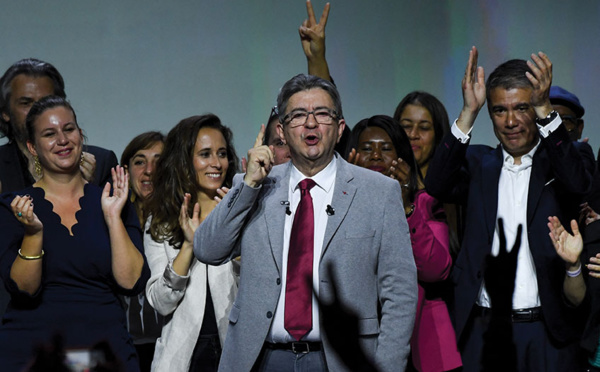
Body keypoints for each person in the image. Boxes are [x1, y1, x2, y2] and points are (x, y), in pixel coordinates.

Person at [194, 74, 417, 372]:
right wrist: (248, 185)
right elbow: (208, 249)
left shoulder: (378, 192)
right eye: (298, 115)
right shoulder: (255, 185)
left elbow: (399, 292)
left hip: (342, 360)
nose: (311, 123)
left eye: (322, 114)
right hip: (261, 359)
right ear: (282, 131)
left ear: (339, 129)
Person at [425, 47, 595, 371]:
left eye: (522, 108)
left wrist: (547, 110)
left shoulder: (566, 158)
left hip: (548, 333)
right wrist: (467, 113)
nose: (511, 120)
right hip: (483, 329)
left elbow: (578, 183)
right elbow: (436, 185)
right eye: (499, 110)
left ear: (535, 108)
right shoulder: (478, 163)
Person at [0, 96, 149, 372]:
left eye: (69, 129)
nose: (62, 139)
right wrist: (33, 233)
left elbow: (131, 282)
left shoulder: (113, 199)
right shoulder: (14, 206)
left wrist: (114, 218)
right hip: (33, 356)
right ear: (33, 147)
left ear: (80, 135)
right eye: (49, 133)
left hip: (104, 356)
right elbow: (24, 290)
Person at [0, 58, 119, 315]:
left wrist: (83, 185)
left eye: (47, 100)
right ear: (5, 112)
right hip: (15, 313)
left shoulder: (102, 161)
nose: (38, 110)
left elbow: (117, 251)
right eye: (26, 103)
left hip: (89, 312)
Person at [346, 115, 461, 372]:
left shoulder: (423, 204)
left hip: (420, 351)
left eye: (386, 149)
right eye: (366, 149)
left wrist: (406, 205)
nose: (376, 156)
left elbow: (436, 269)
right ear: (350, 156)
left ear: (404, 159)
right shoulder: (334, 208)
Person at [144, 115, 239, 372]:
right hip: (182, 359)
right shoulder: (161, 221)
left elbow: (258, 293)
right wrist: (188, 246)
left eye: (222, 153)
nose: (216, 163)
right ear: (184, 161)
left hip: (236, 353)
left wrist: (236, 231)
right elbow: (161, 302)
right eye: (205, 154)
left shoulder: (244, 211)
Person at [120, 131, 165, 372]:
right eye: (139, 161)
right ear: (125, 173)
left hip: (169, 344)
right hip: (124, 346)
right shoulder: (112, 220)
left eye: (158, 161)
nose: (149, 170)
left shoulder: (184, 219)